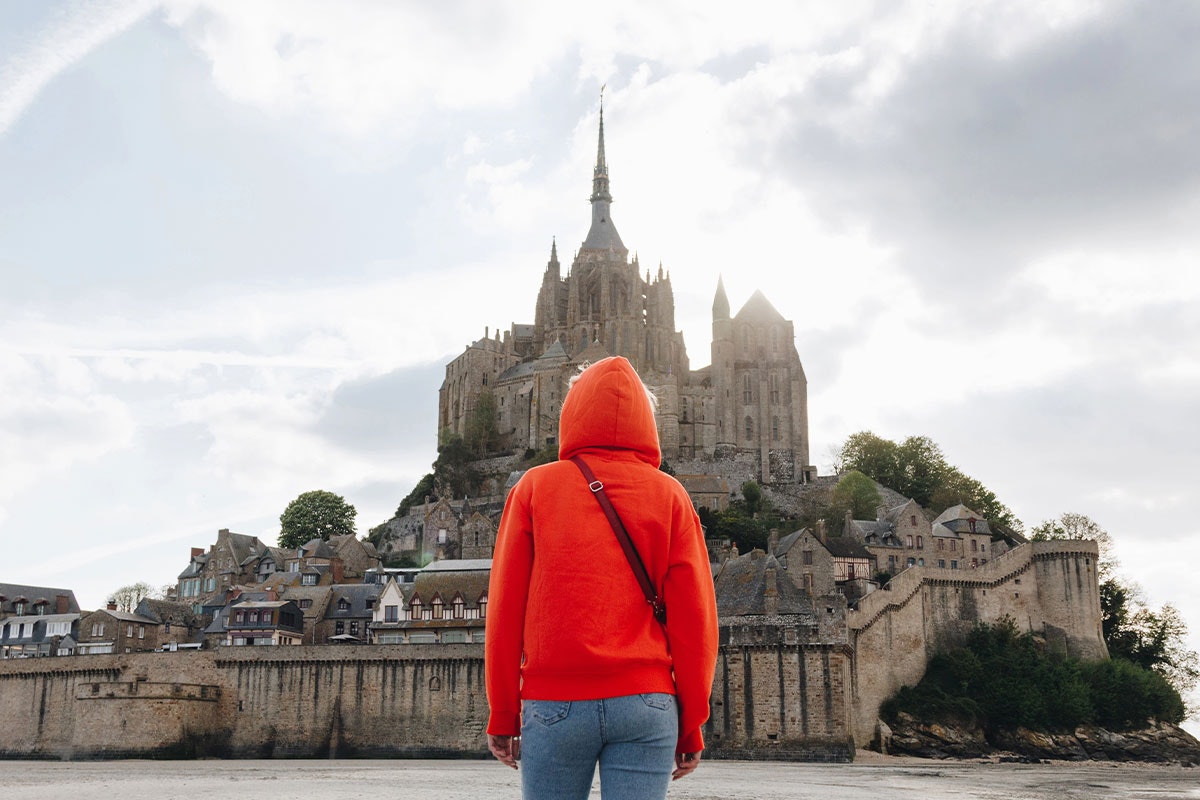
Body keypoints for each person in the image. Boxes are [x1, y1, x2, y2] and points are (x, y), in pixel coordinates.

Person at [485, 356, 719, 800]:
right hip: (647, 703)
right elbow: (696, 623)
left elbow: (504, 611)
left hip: (554, 703)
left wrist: (502, 712)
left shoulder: (534, 488)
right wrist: (691, 725)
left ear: (572, 411)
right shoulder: (671, 494)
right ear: (646, 421)